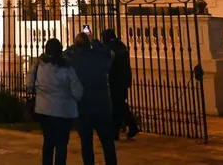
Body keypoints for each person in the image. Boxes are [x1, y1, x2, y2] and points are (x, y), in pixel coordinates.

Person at [27, 38, 83, 165]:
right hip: (64, 111)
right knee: (62, 144)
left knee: (48, 141)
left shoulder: (38, 65)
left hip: (44, 109)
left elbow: (29, 84)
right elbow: (77, 90)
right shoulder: (67, 68)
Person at [69, 31, 117, 165]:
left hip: (83, 108)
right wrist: (99, 45)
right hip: (101, 106)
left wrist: (73, 48)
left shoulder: (73, 61)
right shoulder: (99, 57)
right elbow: (111, 55)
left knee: (86, 144)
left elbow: (62, 56)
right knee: (108, 143)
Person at [101, 28, 139, 140]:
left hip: (115, 80)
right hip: (123, 79)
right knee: (118, 105)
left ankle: (130, 127)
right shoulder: (120, 45)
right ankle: (117, 131)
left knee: (118, 105)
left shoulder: (110, 48)